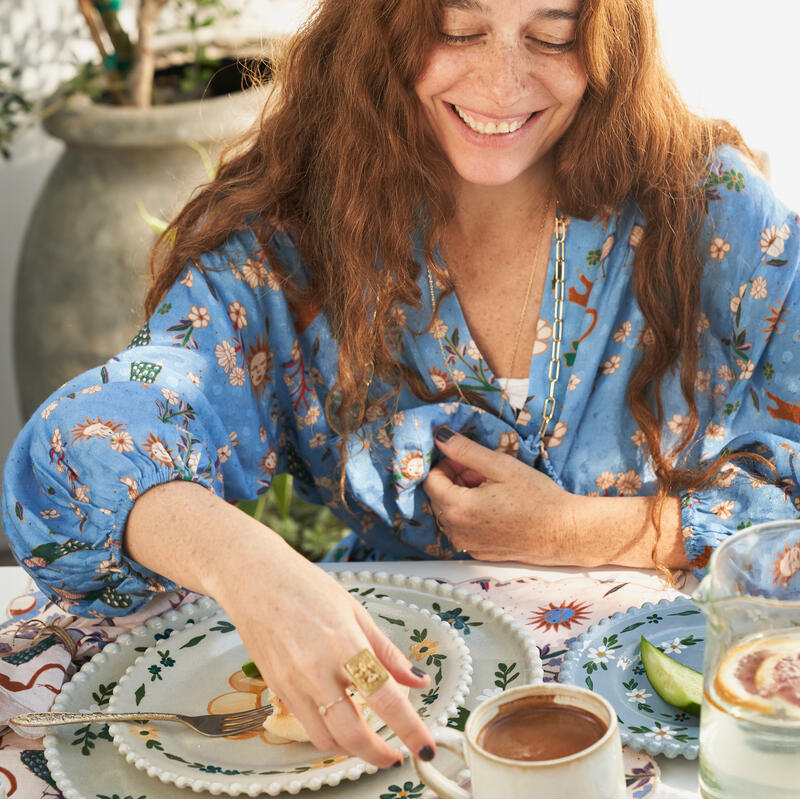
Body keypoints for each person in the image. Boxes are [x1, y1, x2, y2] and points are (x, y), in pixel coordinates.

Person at [4, 0, 800, 768]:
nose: (501, 82)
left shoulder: (705, 207)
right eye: (458, 29)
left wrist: (578, 531)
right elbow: (73, 455)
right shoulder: (289, 241)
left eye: (553, 37)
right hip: (399, 721)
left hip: (675, 732)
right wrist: (253, 568)